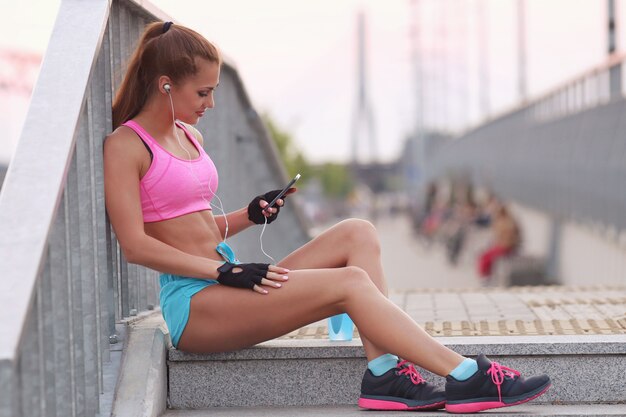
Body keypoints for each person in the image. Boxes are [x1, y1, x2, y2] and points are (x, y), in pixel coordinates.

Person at [103, 21, 550, 414]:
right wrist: (225, 269)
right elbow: (137, 245)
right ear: (166, 85)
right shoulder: (127, 146)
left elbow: (196, 228)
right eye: (203, 92)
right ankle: (466, 372)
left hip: (228, 281)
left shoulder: (188, 135)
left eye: (215, 91)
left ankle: (384, 373)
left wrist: (250, 215)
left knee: (357, 232)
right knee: (351, 282)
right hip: (196, 306)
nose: (211, 104)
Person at [477, 203, 521, 283]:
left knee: (485, 257)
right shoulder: (507, 221)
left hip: (506, 247)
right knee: (485, 255)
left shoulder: (506, 223)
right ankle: (486, 276)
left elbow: (506, 239)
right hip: (505, 246)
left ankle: (486, 277)